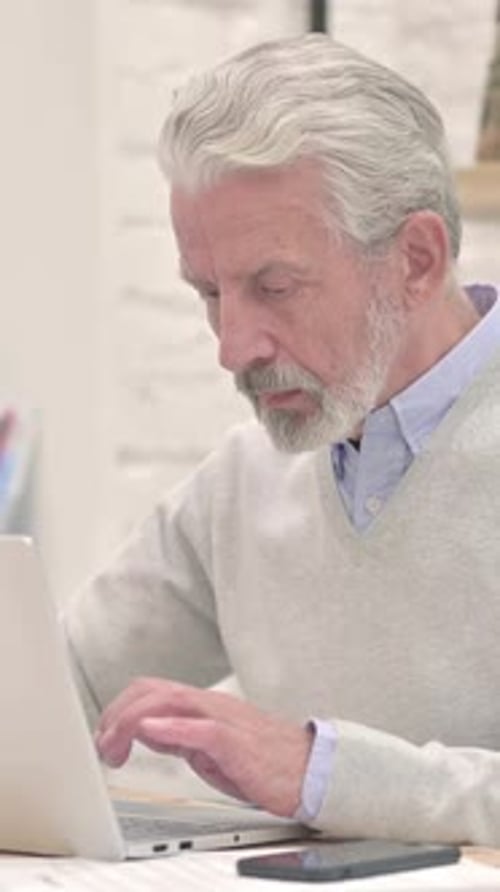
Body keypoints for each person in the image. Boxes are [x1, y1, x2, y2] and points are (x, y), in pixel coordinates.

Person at [65, 34, 500, 846]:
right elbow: (55, 694)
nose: (233, 348)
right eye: (208, 293)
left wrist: (321, 772)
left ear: (414, 259)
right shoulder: (240, 487)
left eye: (274, 287)